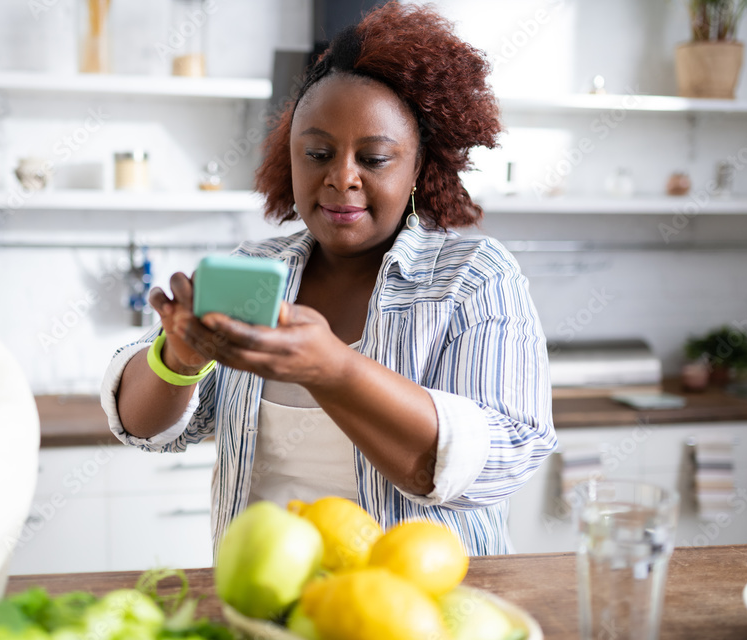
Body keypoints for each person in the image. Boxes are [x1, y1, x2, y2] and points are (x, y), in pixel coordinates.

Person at [101, 2, 556, 557]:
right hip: (265, 607)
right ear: (289, 158)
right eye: (317, 153)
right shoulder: (257, 271)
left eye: (375, 158)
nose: (342, 178)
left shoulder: (472, 278)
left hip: (418, 615)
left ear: (418, 168)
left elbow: (496, 463)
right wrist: (177, 360)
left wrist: (334, 370)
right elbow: (145, 428)